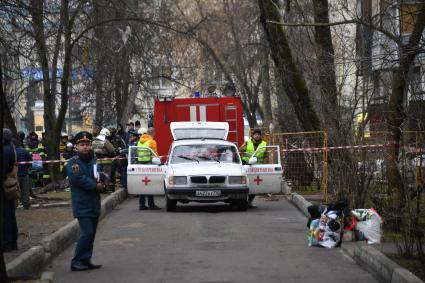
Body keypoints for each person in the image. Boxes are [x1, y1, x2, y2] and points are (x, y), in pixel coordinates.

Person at [66, 131, 105, 271]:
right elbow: (78, 179)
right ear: (76, 146)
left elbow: (96, 175)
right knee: (87, 232)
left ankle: (86, 259)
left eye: (88, 144)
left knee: (92, 234)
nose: (86, 147)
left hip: (93, 203)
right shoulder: (73, 163)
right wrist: (96, 185)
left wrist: (102, 179)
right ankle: (76, 262)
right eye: (82, 144)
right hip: (82, 204)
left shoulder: (92, 159)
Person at [239, 129, 267, 208]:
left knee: (255, 185)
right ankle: (243, 202)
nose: (257, 136)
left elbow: (266, 155)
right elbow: (240, 149)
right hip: (247, 166)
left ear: (260, 136)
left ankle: (249, 202)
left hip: (257, 167)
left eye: (258, 134)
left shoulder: (264, 144)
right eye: (255, 134)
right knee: (245, 184)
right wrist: (244, 150)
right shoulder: (247, 142)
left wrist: (265, 165)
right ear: (253, 135)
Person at [2, 129, 19, 251]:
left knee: (6, 216)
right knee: (10, 215)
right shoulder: (10, 148)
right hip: (10, 185)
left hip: (5, 187)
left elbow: (3, 171)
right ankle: (12, 242)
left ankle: (7, 243)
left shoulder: (4, 151)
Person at [137, 127, 160, 210]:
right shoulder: (152, 142)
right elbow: (155, 156)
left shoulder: (139, 141)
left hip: (140, 165)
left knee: (142, 185)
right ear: (153, 133)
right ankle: (151, 204)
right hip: (149, 165)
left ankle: (141, 205)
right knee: (150, 184)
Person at [15, 139, 33, 209]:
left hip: (15, 175)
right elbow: (30, 161)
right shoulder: (25, 151)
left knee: (15, 190)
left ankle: (15, 205)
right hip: (25, 173)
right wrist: (26, 168)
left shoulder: (13, 152)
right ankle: (26, 204)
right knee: (25, 190)